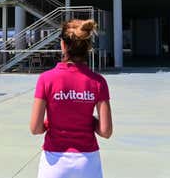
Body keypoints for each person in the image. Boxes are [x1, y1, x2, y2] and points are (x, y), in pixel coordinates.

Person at [29, 19, 112, 178]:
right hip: (87, 162)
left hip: (54, 162)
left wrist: (49, 122)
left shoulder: (46, 79)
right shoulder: (98, 82)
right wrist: (89, 120)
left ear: (63, 45)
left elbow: (35, 128)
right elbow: (106, 131)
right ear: (87, 47)